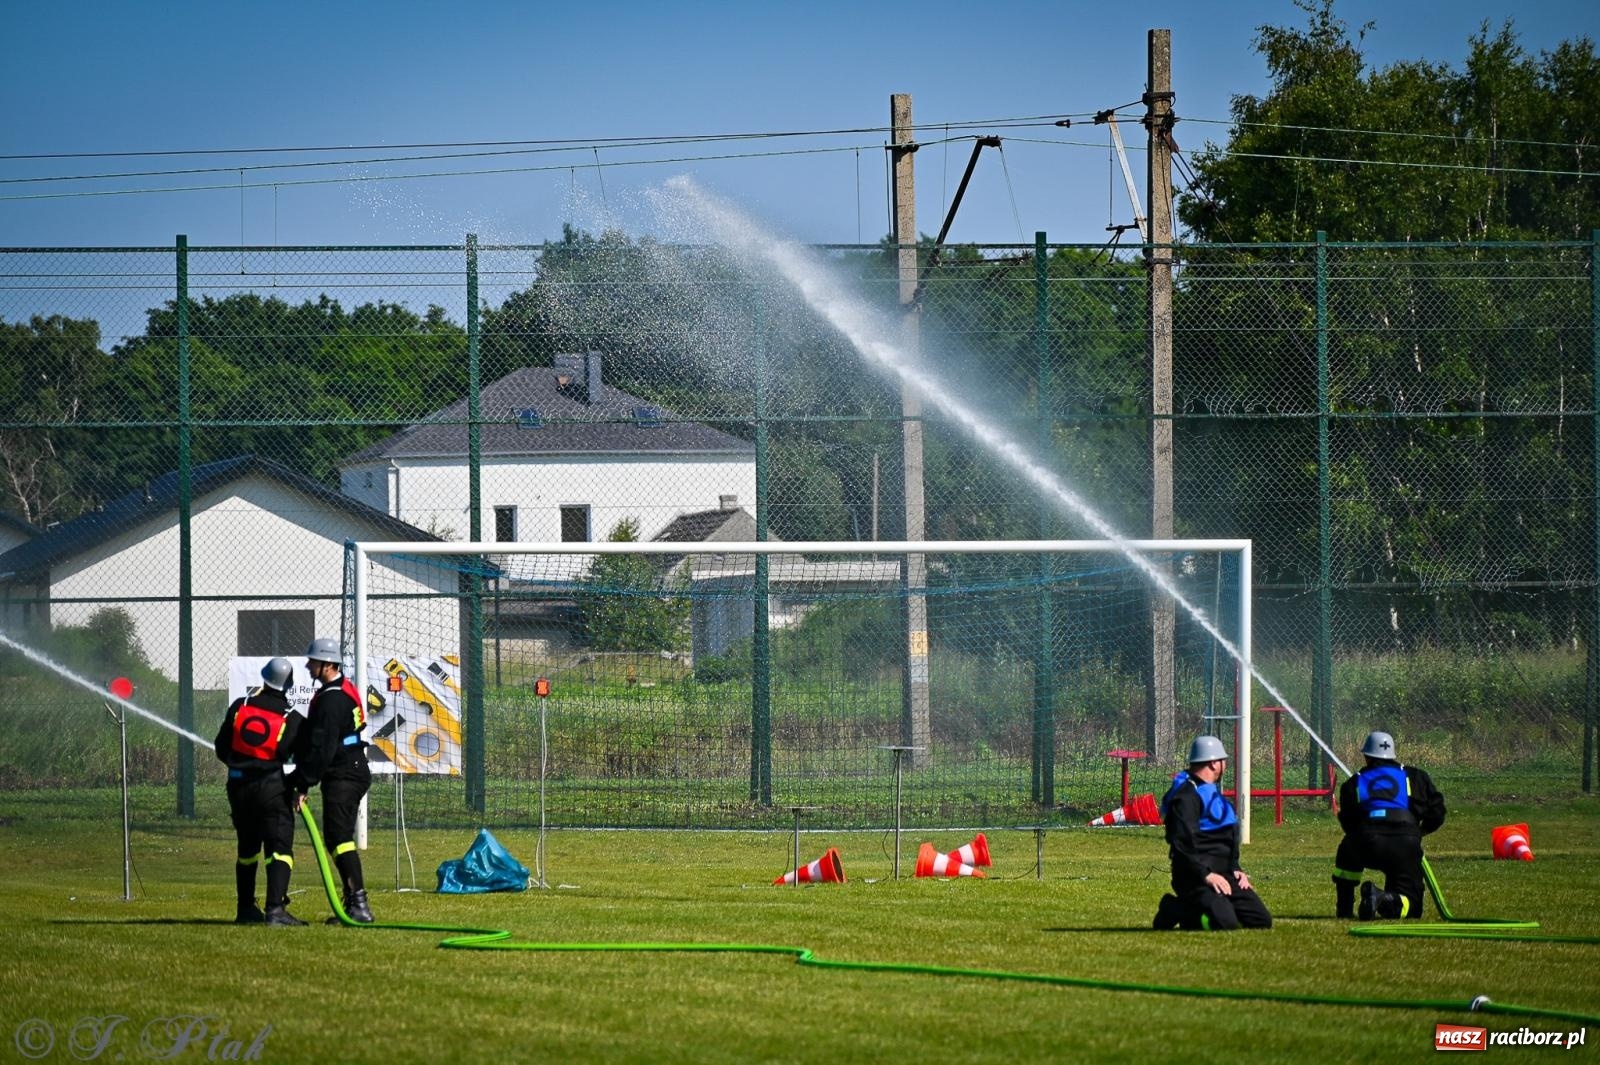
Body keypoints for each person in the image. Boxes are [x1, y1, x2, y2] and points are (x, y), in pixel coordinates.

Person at [288, 636, 375, 924]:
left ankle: (359, 906)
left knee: (339, 839)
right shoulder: (339, 690)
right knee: (337, 838)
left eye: (312, 662)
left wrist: (302, 783)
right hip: (346, 769)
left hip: (345, 772)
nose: (308, 666)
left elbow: (322, 748)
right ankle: (354, 904)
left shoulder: (331, 699)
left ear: (327, 664)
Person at [214, 657, 305, 926]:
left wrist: (241, 766)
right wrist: (299, 786)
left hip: (239, 789)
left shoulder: (239, 706)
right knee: (279, 848)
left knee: (247, 848)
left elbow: (221, 748)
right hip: (272, 790)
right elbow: (299, 757)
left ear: (264, 677)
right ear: (288, 684)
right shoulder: (292, 717)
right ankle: (275, 910)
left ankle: (245, 909)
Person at [1152, 735, 1272, 932]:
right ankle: (1175, 909)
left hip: (1224, 873)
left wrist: (1236, 868)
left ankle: (1210, 906)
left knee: (1260, 920)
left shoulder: (1211, 792)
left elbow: (1226, 838)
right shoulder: (1186, 797)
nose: (1225, 765)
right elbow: (1182, 843)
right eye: (1224, 761)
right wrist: (1206, 875)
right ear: (1214, 763)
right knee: (1225, 922)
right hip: (1194, 877)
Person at [1333, 730, 1446, 920]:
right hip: (1405, 845)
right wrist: (1419, 832)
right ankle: (1384, 898)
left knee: (1347, 849)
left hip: (1366, 842)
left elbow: (1348, 824)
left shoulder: (1353, 783)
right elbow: (1437, 812)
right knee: (1412, 907)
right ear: (1393, 754)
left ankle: (1344, 909)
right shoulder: (1415, 777)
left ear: (1366, 756)